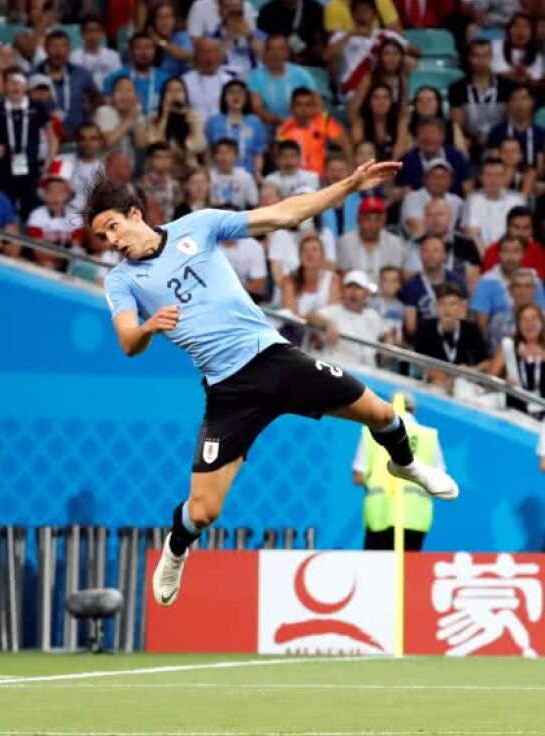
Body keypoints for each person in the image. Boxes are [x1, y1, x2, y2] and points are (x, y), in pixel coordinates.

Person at [88, 158, 459, 607]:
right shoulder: (121, 280)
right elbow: (128, 340)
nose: (111, 242)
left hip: (276, 359)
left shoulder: (199, 226)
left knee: (382, 414)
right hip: (228, 391)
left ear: (135, 214)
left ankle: (406, 465)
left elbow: (286, 214)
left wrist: (351, 184)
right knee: (204, 511)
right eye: (102, 238)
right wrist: (148, 328)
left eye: (112, 227)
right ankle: (176, 547)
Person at [352, 391, 441, 551]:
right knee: (407, 573)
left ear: (389, 407)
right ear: (413, 410)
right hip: (415, 517)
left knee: (376, 572)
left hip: (379, 514)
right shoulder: (429, 436)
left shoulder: (370, 433)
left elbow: (358, 476)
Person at [0, 69, 56, 219]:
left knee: (31, 210)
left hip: (30, 169)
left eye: (19, 82)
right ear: (4, 85)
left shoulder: (36, 108)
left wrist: (48, 162)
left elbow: (52, 137)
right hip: (3, 170)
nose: (15, 87)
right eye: (11, 82)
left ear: (25, 86)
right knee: (3, 209)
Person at [413, 282, 492, 388]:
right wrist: (445, 380)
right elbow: (421, 363)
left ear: (461, 307)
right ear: (436, 306)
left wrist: (472, 370)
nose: (447, 309)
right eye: (443, 304)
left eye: (452, 304)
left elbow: (486, 362)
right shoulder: (426, 329)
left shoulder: (471, 329)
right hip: (435, 385)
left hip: (465, 385)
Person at [308, 270, 390, 367]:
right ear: (343, 291)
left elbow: (388, 332)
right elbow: (310, 317)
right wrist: (328, 323)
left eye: (358, 288)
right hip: (336, 368)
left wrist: (388, 345)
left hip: (368, 372)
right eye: (349, 287)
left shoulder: (373, 315)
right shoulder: (333, 311)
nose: (353, 292)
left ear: (366, 293)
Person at [449, 41, 515, 157]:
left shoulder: (507, 86)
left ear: (491, 57)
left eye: (485, 55)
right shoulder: (457, 88)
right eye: (476, 56)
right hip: (470, 142)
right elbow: (458, 124)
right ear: (469, 58)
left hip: (500, 142)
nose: (481, 61)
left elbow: (511, 119)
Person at [399, 235, 470, 338]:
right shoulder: (411, 285)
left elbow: (462, 318)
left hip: (453, 337)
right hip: (424, 339)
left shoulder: (458, 281)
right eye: (426, 251)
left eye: (435, 251)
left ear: (444, 255)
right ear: (420, 255)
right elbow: (411, 328)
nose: (430, 255)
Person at [471, 235, 545, 333]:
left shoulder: (533, 279)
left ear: (523, 254)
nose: (511, 257)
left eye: (516, 251)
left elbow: (542, 314)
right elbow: (481, 327)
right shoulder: (486, 282)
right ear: (498, 254)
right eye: (506, 251)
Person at [247, 35, 317, 136]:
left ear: (287, 52)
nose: (276, 54)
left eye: (281, 49)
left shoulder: (301, 74)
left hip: (301, 123)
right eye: (271, 49)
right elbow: (257, 109)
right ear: (265, 52)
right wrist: (278, 120)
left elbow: (317, 105)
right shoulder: (255, 77)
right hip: (269, 126)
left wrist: (296, 121)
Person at [35, 30, 96, 142]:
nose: (58, 52)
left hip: (79, 139)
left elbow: (95, 100)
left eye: (63, 46)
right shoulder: (34, 76)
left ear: (69, 50)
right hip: (45, 139)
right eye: (54, 46)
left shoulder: (82, 74)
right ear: (45, 49)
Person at [257, 0, 326, 67]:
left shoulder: (315, 9)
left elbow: (321, 41)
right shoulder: (267, 11)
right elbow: (262, 42)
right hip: (277, 62)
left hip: (310, 62)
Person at [277, 88, 350, 176]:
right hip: (295, 178)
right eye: (299, 105)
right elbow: (280, 159)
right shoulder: (284, 129)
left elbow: (346, 146)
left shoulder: (324, 121)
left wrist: (351, 168)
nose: (303, 109)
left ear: (312, 107)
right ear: (291, 107)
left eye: (307, 105)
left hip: (322, 179)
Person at [488, 302, 545, 414]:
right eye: (524, 319)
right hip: (516, 412)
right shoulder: (508, 346)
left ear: (542, 322)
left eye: (534, 318)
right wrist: (504, 382)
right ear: (518, 325)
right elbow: (490, 379)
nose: (530, 324)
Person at [337, 196, 405, 286]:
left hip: (385, 296)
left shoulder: (395, 243)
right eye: (367, 219)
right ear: (358, 219)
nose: (372, 225)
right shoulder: (345, 243)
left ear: (384, 220)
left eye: (377, 219)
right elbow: (344, 277)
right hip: (355, 296)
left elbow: (395, 279)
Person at [204, 80, 267, 177]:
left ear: (246, 98)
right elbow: (208, 151)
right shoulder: (213, 122)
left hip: (247, 174)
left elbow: (258, 153)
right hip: (219, 174)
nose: (236, 96)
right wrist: (210, 172)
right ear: (224, 97)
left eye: (240, 92)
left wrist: (257, 172)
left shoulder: (255, 122)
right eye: (231, 92)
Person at [145, 77, 207, 171]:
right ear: (163, 95)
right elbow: (156, 144)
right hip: (161, 170)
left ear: (185, 95)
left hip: (188, 169)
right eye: (169, 90)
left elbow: (198, 146)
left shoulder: (195, 117)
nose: (174, 94)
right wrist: (165, 116)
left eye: (178, 90)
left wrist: (191, 125)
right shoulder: (153, 118)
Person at [465, 157, 526, 251]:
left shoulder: (517, 200)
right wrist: (487, 259)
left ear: (504, 177)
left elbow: (522, 232)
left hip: (513, 254)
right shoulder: (473, 200)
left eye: (498, 175)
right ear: (481, 177)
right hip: (480, 256)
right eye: (489, 175)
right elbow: (472, 233)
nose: (493, 180)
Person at [103, 32, 168, 118]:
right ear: (130, 51)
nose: (144, 52)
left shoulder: (165, 79)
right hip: (124, 122)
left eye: (148, 48)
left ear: (155, 51)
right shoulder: (116, 76)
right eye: (138, 48)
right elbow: (107, 101)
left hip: (155, 124)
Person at [281, 233, 341, 317]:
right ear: (299, 256)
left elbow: (333, 312)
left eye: (314, 250)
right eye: (305, 250)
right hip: (298, 328)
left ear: (323, 256)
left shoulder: (333, 279)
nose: (309, 254)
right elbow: (292, 318)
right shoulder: (289, 281)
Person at [482, 206, 545, 278]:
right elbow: (488, 280)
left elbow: (540, 282)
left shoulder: (539, 250)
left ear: (532, 230)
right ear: (507, 228)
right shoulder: (493, 250)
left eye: (526, 228)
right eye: (516, 227)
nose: (521, 233)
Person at [180, 39, 233, 121]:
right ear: (197, 56)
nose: (209, 56)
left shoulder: (229, 81)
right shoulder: (185, 81)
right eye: (204, 52)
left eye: (213, 52)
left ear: (220, 56)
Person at [491, 15, 545, 88]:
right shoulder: (496, 45)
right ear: (508, 30)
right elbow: (495, 70)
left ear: (532, 33)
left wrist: (526, 76)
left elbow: (536, 79)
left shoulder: (537, 54)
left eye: (526, 27)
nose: (520, 30)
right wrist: (515, 74)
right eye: (516, 26)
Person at [208, 140, 258, 211]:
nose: (224, 157)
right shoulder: (209, 176)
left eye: (228, 152)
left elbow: (253, 203)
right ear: (215, 156)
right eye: (220, 153)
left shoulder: (245, 177)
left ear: (236, 155)